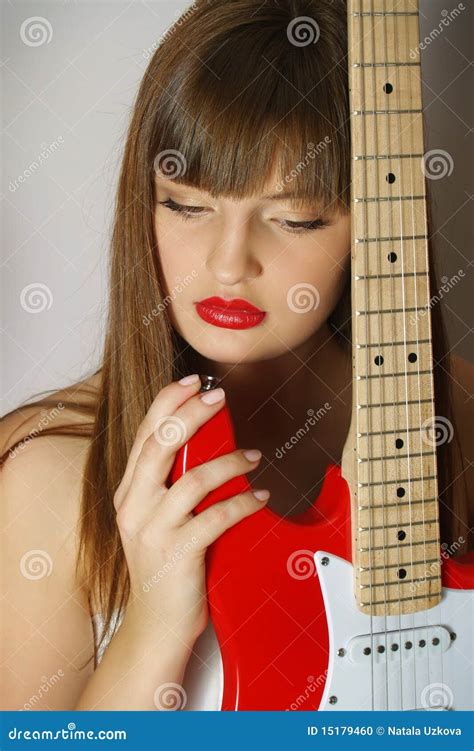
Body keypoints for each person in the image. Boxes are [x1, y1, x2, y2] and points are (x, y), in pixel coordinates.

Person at [1, 0, 472, 711]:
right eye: (186, 206)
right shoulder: (51, 472)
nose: (227, 265)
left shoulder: (459, 410)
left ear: (378, 223)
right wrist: (157, 619)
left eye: (294, 218)